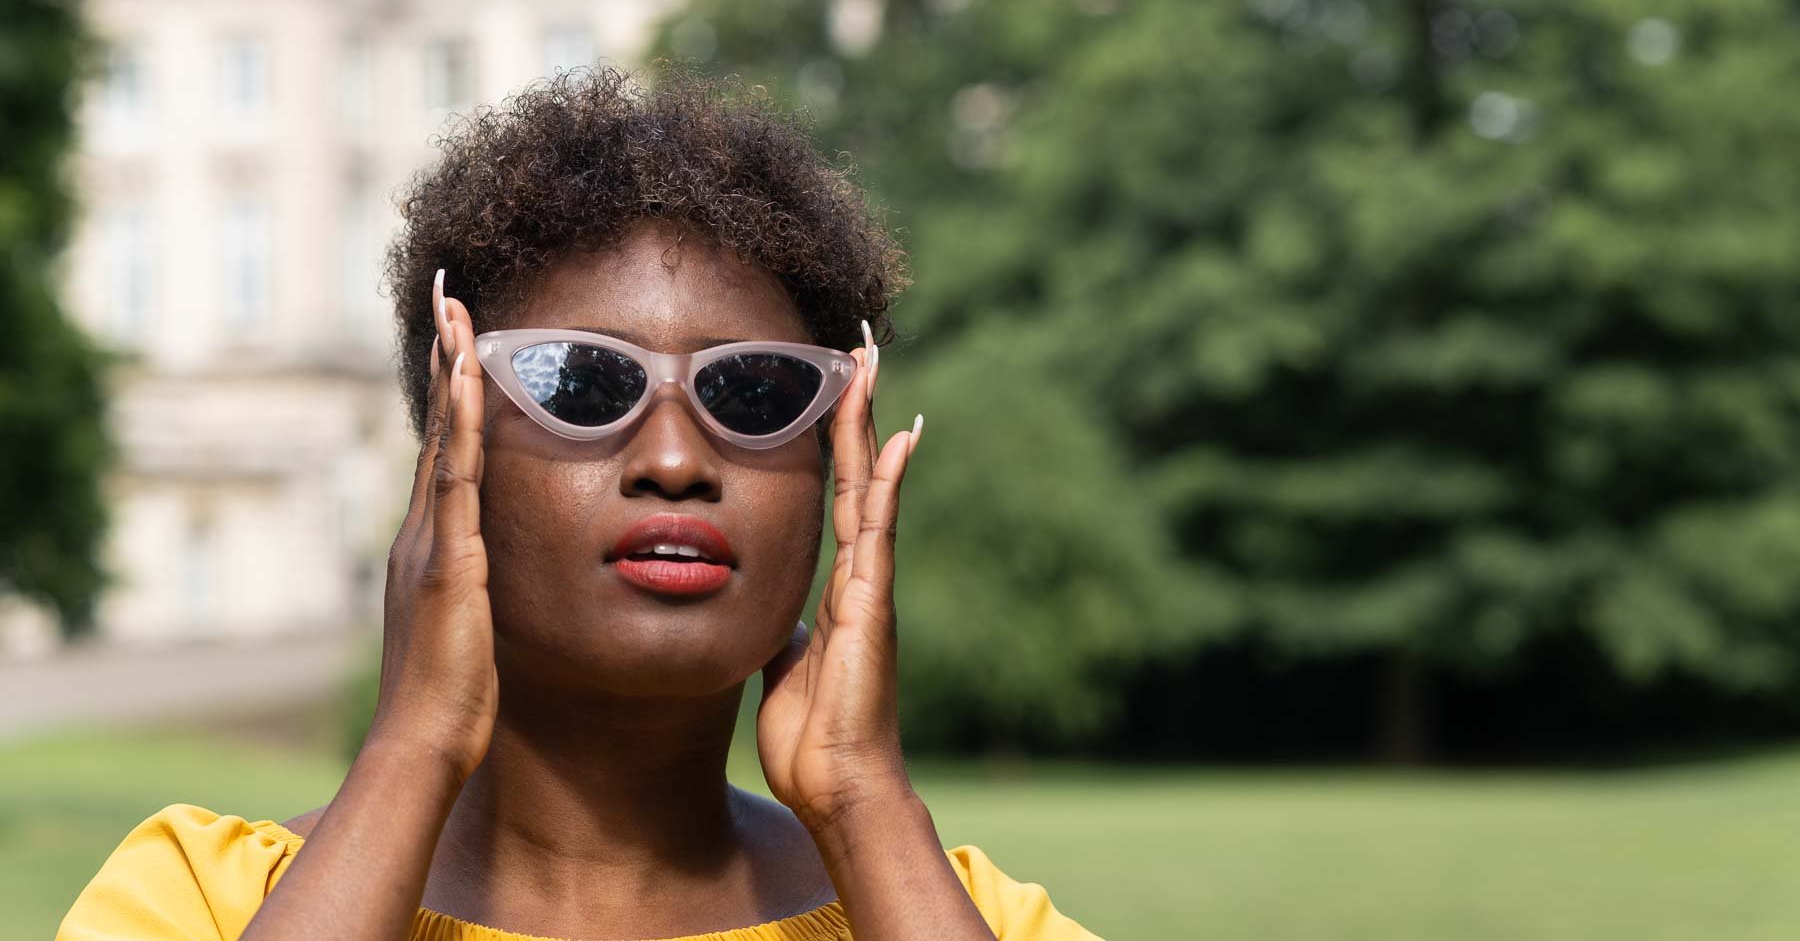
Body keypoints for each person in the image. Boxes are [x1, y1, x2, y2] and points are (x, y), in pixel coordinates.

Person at [56, 64, 1100, 941]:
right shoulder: (198, 897)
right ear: (446, 454)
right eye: (582, 383)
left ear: (841, 455)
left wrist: (862, 802)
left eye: (756, 391)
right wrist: (413, 744)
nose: (677, 460)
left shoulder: (960, 913)